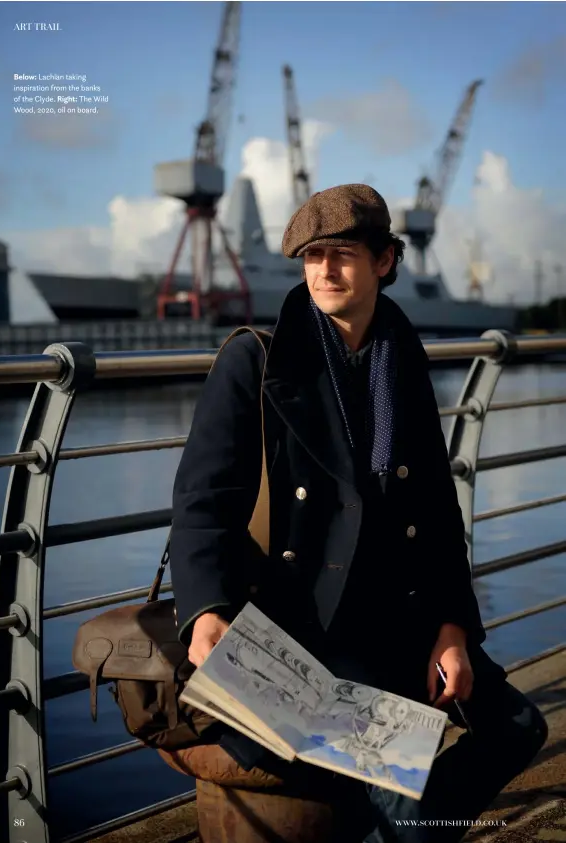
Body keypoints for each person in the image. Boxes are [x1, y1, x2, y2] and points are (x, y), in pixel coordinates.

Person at [168, 184, 548, 841]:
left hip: (399, 616)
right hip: (300, 628)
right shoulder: (254, 361)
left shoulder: (402, 362)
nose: (325, 269)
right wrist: (205, 609)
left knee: (519, 727)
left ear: (385, 261)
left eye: (342, 253)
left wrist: (454, 626)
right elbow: (203, 500)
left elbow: (434, 510)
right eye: (312, 255)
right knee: (405, 785)